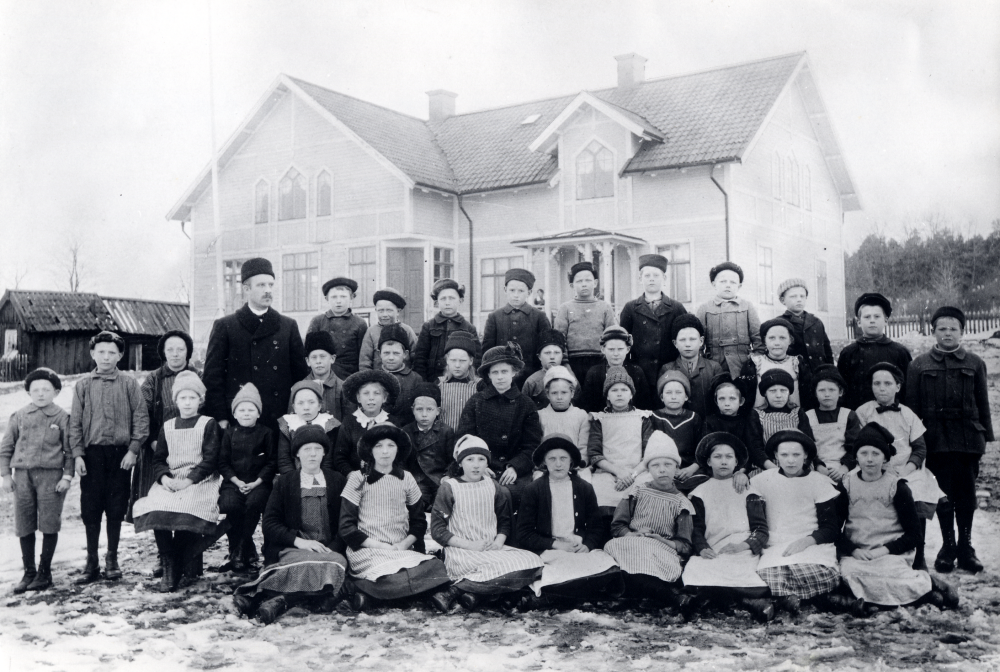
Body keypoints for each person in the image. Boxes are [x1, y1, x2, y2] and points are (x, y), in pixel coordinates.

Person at [836, 422, 959, 616]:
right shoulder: (846, 484)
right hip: (858, 555)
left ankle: (925, 588)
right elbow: (834, 528)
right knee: (850, 573)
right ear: (856, 456)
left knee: (893, 574)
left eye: (876, 453)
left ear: (885, 457)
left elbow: (914, 535)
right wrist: (853, 550)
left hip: (890, 554)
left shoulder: (897, 487)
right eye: (864, 453)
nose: (869, 459)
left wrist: (883, 551)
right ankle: (912, 597)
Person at [906, 306, 994, 574]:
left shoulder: (975, 363)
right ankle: (948, 547)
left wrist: (985, 437)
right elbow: (912, 408)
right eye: (942, 329)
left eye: (953, 329)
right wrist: (914, 442)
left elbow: (983, 403)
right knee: (943, 495)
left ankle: (966, 548)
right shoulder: (919, 364)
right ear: (933, 332)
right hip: (935, 441)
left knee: (966, 495)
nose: (947, 333)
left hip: (967, 440)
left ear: (962, 332)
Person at [232, 425, 349, 624]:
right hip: (292, 548)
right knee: (309, 566)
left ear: (324, 453)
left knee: (335, 564)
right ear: (297, 454)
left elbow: (345, 523)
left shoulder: (337, 480)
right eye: (306, 449)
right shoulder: (285, 482)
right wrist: (300, 542)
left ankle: (276, 599)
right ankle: (267, 595)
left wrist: (331, 548)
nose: (312, 454)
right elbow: (270, 523)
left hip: (327, 550)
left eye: (318, 449)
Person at [338, 423, 450, 612]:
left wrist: (404, 545)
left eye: (391, 445)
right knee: (390, 575)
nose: (385, 451)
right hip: (369, 550)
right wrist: (380, 546)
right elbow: (346, 527)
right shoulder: (358, 479)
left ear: (398, 450)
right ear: (370, 450)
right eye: (379, 446)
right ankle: (366, 589)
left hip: (400, 549)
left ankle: (372, 595)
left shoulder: (407, 478)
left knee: (436, 567)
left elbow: (419, 521)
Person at [430, 435, 544, 611]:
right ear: (460, 463)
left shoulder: (493, 485)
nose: (476, 465)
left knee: (534, 562)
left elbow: (504, 521)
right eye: (470, 459)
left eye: (481, 459)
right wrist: (470, 545)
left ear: (487, 463)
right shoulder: (449, 487)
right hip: (461, 550)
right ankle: (454, 591)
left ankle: (473, 593)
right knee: (500, 569)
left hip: (491, 549)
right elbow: (438, 530)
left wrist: (499, 541)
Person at [70, 331, 149, 584]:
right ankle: (91, 561)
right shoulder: (83, 385)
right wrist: (78, 455)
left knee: (116, 508)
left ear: (120, 355)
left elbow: (141, 418)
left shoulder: (129, 384)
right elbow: (74, 424)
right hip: (91, 456)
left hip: (120, 456)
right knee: (91, 509)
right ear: (93, 354)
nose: (106, 357)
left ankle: (112, 559)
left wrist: (133, 450)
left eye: (112, 352)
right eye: (101, 352)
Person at [131, 372, 222, 592]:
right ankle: (168, 560)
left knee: (186, 507)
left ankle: (177, 562)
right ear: (176, 400)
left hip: (199, 480)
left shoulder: (208, 424)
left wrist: (189, 481)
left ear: (200, 400)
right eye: (183, 398)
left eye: (192, 398)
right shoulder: (168, 426)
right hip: (172, 479)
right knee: (155, 505)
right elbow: (159, 459)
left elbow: (210, 460)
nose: (187, 402)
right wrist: (164, 477)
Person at [515, 434, 622, 609]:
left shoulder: (584, 488)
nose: (558, 464)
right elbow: (523, 534)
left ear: (571, 461)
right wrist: (555, 544)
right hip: (550, 550)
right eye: (552, 459)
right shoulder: (533, 490)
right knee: (565, 568)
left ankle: (556, 595)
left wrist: (587, 545)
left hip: (577, 549)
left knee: (610, 568)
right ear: (544, 462)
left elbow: (596, 526)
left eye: (563, 458)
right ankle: (562, 595)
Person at [203, 258, 309, 431]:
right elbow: (212, 377)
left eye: (270, 285)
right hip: (240, 418)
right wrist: (220, 416)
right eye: (261, 285)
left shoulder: (288, 326)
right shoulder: (226, 326)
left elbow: (300, 376)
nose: (268, 290)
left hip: (280, 418)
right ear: (246, 289)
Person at [856, 362, 943, 570]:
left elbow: (920, 448)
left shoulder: (907, 414)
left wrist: (906, 469)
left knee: (916, 492)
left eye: (887, 383)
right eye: (877, 383)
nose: (882, 388)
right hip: (875, 469)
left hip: (906, 469)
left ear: (898, 387)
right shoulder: (863, 412)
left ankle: (919, 555)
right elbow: (858, 446)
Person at [681, 433, 773, 623]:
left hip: (743, 548)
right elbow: (696, 529)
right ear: (709, 461)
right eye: (718, 457)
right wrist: (702, 548)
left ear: (736, 462)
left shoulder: (748, 490)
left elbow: (761, 529)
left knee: (744, 571)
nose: (723, 462)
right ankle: (738, 600)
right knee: (696, 569)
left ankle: (744, 601)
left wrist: (743, 546)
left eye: (729, 457)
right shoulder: (699, 493)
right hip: (714, 547)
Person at [750, 430, 842, 615]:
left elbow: (831, 527)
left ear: (806, 455)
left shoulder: (819, 481)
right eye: (784, 455)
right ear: (776, 455)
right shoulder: (762, 480)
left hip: (811, 544)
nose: (790, 460)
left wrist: (807, 541)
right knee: (766, 576)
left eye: (796, 454)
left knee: (822, 574)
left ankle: (786, 599)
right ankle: (809, 599)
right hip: (776, 544)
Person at [603, 432, 695, 613]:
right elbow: (618, 526)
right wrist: (632, 534)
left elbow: (684, 545)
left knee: (643, 554)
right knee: (612, 546)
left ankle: (658, 595)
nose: (662, 470)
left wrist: (659, 539)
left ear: (677, 468)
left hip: (661, 549)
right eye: (655, 465)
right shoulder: (636, 492)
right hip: (631, 543)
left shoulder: (682, 503)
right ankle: (664, 595)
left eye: (668, 464)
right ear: (648, 469)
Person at [1, 368, 73, 593]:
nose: (41, 394)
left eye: (46, 389)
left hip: (51, 477)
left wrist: (67, 476)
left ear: (56, 392)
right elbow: (6, 447)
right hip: (23, 476)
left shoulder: (62, 417)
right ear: (28, 393)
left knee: (49, 521)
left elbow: (70, 450)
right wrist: (5, 475)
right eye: (36, 390)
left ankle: (44, 572)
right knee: (24, 522)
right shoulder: (19, 416)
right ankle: (29, 572)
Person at [456, 343, 543, 508]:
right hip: (481, 468)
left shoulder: (526, 404)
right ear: (488, 375)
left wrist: (515, 467)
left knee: (517, 495)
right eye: (495, 372)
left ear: (514, 372)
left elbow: (532, 445)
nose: (500, 377)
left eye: (504, 371)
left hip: (514, 472)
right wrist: (480, 465)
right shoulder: (476, 401)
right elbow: (464, 439)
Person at [131, 330, 198, 528]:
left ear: (188, 352)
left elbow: (208, 409)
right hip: (157, 448)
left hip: (193, 448)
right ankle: (164, 543)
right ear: (163, 352)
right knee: (158, 501)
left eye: (180, 349)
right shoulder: (154, 379)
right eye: (170, 349)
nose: (175, 354)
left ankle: (185, 540)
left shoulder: (199, 376)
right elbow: (142, 412)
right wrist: (153, 440)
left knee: (188, 499)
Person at [587, 367, 661, 525]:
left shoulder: (642, 417)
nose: (619, 394)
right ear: (607, 395)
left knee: (647, 486)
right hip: (609, 472)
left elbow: (649, 453)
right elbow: (594, 454)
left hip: (638, 471)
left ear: (631, 394)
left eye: (624, 390)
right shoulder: (600, 419)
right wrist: (618, 472)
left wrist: (631, 475)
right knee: (599, 489)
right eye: (614, 390)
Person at [218, 383, 276, 574]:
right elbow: (223, 462)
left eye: (251, 410)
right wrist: (236, 481)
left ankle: (240, 550)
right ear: (234, 414)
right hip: (233, 482)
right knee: (231, 505)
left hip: (258, 483)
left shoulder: (266, 433)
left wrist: (256, 482)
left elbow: (271, 462)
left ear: (258, 413)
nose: (246, 414)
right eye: (241, 410)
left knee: (253, 504)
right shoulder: (229, 434)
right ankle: (244, 549)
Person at [618, 253, 688, 394]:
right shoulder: (630, 308)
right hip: (639, 373)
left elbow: (684, 338)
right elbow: (623, 341)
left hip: (669, 373)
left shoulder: (676, 308)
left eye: (656, 275)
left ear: (664, 278)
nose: (651, 279)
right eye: (647, 275)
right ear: (640, 279)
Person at [837, 293, 912, 410]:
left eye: (877, 316)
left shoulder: (899, 352)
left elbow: (908, 388)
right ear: (858, 322)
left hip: (892, 413)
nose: (872, 321)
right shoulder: (849, 353)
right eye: (867, 317)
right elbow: (841, 388)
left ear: (886, 321)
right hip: (857, 413)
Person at [481, 268, 552, 386]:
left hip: (532, 377)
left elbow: (547, 347)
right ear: (505, 290)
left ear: (529, 292)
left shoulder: (539, 316)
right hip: (502, 378)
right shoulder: (494, 317)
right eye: (512, 290)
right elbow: (487, 350)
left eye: (521, 291)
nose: (516, 295)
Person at [554, 261, 617, 386]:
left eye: (588, 280)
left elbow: (612, 336)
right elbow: (559, 339)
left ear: (595, 283)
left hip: (600, 361)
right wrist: (565, 365)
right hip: (573, 363)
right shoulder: (565, 308)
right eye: (579, 281)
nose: (584, 284)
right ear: (572, 285)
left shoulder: (605, 307)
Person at [697, 262, 762, 379]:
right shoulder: (704, 308)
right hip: (714, 366)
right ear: (714, 284)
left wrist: (753, 361)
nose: (728, 285)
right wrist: (703, 364)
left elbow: (758, 339)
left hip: (743, 366)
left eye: (733, 282)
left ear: (739, 286)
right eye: (723, 281)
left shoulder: (747, 307)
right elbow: (698, 342)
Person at [332, 370, 401, 477]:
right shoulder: (349, 422)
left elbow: (400, 456)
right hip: (356, 478)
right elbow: (340, 457)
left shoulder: (393, 422)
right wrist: (350, 474)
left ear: (384, 398)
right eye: (366, 393)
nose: (371, 398)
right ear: (358, 398)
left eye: (376, 393)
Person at [738, 317, 814, 412]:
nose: (777, 343)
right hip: (760, 417)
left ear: (790, 340)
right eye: (772, 338)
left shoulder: (797, 364)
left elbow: (807, 395)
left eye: (782, 338)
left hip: (793, 417)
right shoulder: (754, 364)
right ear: (764, 340)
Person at [657, 314, 724, 420]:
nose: (687, 344)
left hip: (707, 424)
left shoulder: (714, 368)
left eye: (692, 339)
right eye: (682, 340)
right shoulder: (667, 369)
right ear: (675, 343)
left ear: (701, 341)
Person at [413, 279, 479, 382]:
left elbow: (477, 359)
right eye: (443, 299)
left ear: (460, 301)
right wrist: (424, 383)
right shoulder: (428, 326)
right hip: (433, 380)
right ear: (436, 302)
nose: (447, 303)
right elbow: (420, 358)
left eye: (452, 298)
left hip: (462, 381)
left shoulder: (469, 328)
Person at [401, 383, 455, 507]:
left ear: (438, 411)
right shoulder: (406, 431)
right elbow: (401, 461)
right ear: (413, 410)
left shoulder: (446, 431)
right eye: (419, 409)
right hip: (416, 479)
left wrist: (448, 475)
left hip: (438, 479)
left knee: (443, 501)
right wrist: (407, 478)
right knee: (416, 501)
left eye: (429, 409)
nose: (424, 414)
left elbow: (452, 459)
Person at [652, 370, 707, 492]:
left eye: (678, 392)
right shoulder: (654, 417)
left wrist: (692, 468)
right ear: (661, 397)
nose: (673, 396)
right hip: (662, 468)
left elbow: (702, 449)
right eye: (668, 392)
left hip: (689, 469)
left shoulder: (694, 418)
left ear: (686, 396)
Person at [806, 365, 861, 484]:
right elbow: (806, 447)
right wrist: (819, 466)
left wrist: (843, 469)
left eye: (831, 390)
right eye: (821, 390)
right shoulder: (808, 416)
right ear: (815, 393)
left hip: (845, 467)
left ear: (840, 392)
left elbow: (854, 447)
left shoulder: (849, 415)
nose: (827, 394)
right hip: (817, 468)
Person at [578, 325, 653, 412]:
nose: (616, 354)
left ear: (628, 349)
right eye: (611, 349)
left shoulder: (636, 372)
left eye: (620, 349)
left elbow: (644, 403)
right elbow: (588, 404)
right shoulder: (594, 373)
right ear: (603, 349)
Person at [307, 276, 367, 380]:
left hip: (349, 376)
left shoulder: (359, 323)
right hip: (322, 376)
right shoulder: (318, 321)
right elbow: (308, 352)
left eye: (343, 297)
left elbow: (363, 357)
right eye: (334, 297)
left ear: (351, 298)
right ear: (327, 299)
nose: (338, 301)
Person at [703, 376, 769, 472]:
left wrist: (741, 471)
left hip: (744, 467)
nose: (727, 403)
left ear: (741, 401)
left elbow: (754, 449)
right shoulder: (710, 421)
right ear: (716, 401)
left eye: (732, 398)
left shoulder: (747, 419)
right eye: (721, 399)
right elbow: (708, 450)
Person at [536, 366, 590, 478]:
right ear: (547, 394)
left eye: (564, 392)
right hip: (547, 467)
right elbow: (536, 445)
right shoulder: (540, 415)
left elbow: (584, 446)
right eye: (554, 393)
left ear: (572, 393)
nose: (559, 397)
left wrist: (578, 463)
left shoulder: (581, 415)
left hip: (575, 467)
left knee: (585, 480)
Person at [276, 381, 339, 476]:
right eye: (300, 403)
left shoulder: (329, 424)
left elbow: (328, 460)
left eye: (311, 402)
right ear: (294, 407)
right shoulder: (287, 424)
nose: (306, 407)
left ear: (319, 406)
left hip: (323, 476)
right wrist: (293, 479)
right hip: (293, 476)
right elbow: (284, 460)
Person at [777, 279, 833, 373]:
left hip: (819, 374)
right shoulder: (779, 323)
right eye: (793, 296)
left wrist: (830, 373)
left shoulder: (816, 322)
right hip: (795, 374)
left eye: (802, 296)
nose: (799, 299)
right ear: (783, 300)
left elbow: (827, 351)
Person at [293, 330, 350, 422]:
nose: (318, 361)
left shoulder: (343, 388)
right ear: (307, 361)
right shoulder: (298, 388)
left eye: (322, 356)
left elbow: (349, 422)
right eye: (314, 357)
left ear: (332, 358)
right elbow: (292, 421)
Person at [748, 369, 814, 445]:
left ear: (789, 392)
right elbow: (755, 444)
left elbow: (807, 441)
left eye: (783, 390)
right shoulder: (757, 415)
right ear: (765, 393)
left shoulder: (798, 413)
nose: (778, 395)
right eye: (773, 391)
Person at [359, 288, 417, 372]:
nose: (385, 314)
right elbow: (365, 361)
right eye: (381, 311)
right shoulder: (371, 332)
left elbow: (416, 357)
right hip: (378, 377)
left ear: (398, 311)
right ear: (376, 310)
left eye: (389, 310)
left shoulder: (407, 330)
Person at [378, 323, 424, 427]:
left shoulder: (416, 379)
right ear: (379, 354)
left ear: (405, 354)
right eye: (386, 353)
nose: (391, 358)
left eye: (396, 353)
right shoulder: (372, 378)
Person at [437, 330, 481, 430]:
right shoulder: (439, 384)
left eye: (462, 361)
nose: (457, 365)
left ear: (471, 361)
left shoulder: (479, 385)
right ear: (447, 360)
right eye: (453, 360)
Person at [521, 329, 568, 409]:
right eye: (547, 353)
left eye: (557, 352)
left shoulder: (571, 379)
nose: (552, 357)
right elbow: (523, 408)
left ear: (562, 355)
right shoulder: (532, 382)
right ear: (539, 356)